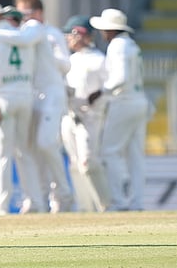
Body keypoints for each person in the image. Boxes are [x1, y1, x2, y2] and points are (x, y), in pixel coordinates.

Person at [0, 0, 73, 213]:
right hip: (30, 96)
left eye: (26, 13)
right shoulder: (19, 32)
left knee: (44, 145)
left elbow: (65, 64)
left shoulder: (37, 29)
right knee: (28, 150)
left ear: (38, 13)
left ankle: (62, 195)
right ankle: (36, 200)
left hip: (49, 96)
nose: (21, 17)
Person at [0, 0, 39, 215]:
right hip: (25, 95)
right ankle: (35, 201)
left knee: (2, 155)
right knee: (24, 152)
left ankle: (2, 205)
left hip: (3, 99)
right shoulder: (22, 36)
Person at [89, 8, 151, 211]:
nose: (102, 33)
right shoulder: (131, 45)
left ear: (110, 30)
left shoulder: (117, 45)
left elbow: (120, 78)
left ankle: (119, 200)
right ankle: (137, 202)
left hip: (124, 102)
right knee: (135, 155)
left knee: (109, 152)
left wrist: (101, 91)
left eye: (104, 29)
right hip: (139, 100)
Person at [60, 15, 109, 212]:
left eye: (70, 34)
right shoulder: (70, 60)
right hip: (70, 116)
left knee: (88, 162)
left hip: (90, 118)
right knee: (74, 164)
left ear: (80, 34)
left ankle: (106, 205)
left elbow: (107, 90)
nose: (68, 39)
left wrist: (95, 104)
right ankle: (85, 208)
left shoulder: (99, 60)